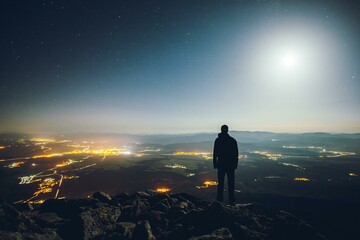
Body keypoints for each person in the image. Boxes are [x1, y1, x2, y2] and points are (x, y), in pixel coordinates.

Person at [213, 125, 239, 205]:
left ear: (221, 130)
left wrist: (215, 163)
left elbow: (215, 153)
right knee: (231, 184)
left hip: (221, 165)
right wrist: (235, 165)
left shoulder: (218, 140)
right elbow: (236, 154)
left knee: (220, 183)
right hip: (230, 165)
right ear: (228, 130)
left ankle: (219, 201)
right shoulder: (232, 140)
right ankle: (232, 201)